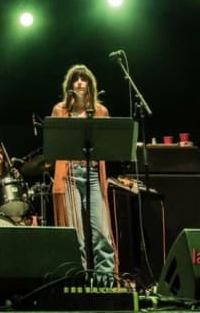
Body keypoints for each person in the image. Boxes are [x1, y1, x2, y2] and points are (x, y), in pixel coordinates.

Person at [50, 64, 118, 276]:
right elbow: (54, 144)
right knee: (75, 235)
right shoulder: (60, 110)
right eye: (75, 79)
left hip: (94, 176)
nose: (79, 82)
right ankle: (77, 279)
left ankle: (105, 280)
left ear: (90, 84)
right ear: (70, 85)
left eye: (83, 78)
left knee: (102, 233)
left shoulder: (100, 111)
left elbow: (108, 144)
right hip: (69, 175)